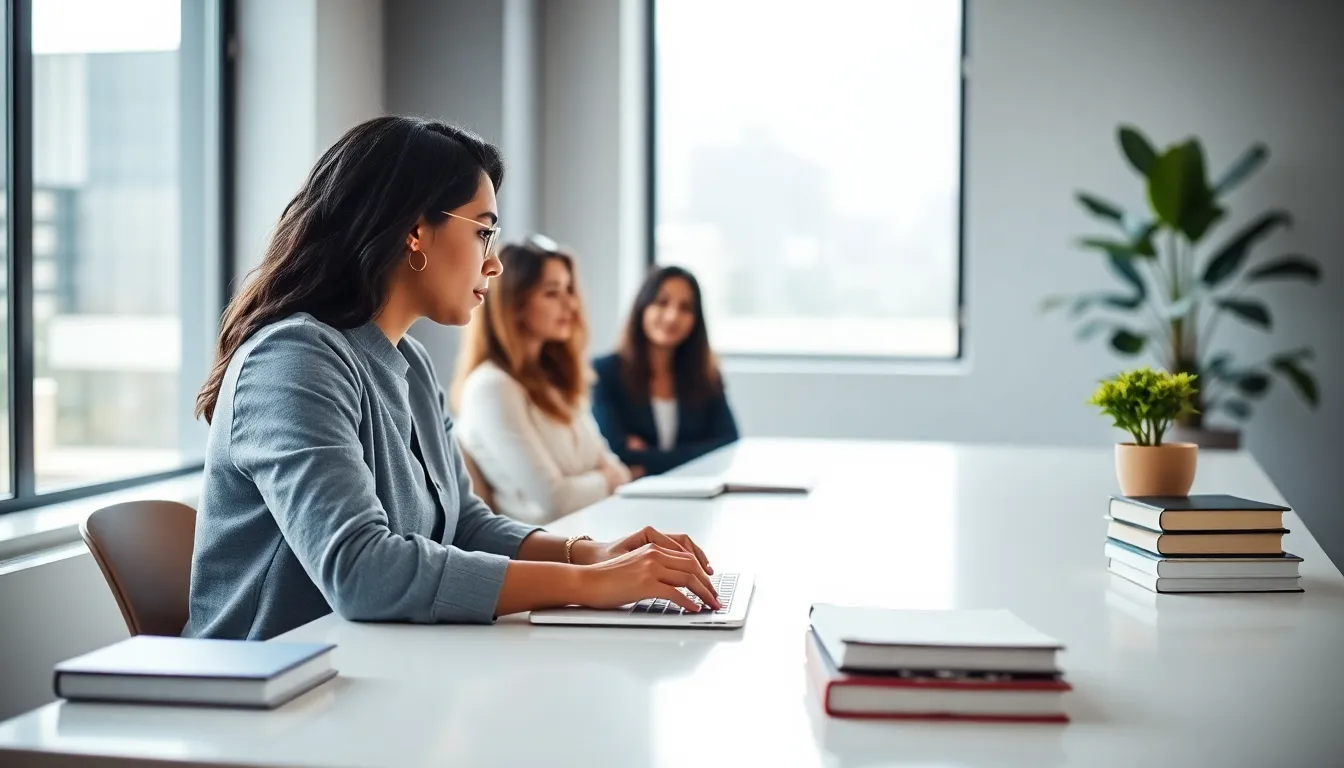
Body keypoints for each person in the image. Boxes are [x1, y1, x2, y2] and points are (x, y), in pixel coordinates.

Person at [183, 116, 718, 641]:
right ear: (416, 231)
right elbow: (361, 571)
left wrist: (591, 552)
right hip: (263, 691)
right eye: (484, 232)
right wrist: (587, 584)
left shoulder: (411, 365)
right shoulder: (293, 358)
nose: (495, 264)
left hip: (366, 664)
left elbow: (464, 523)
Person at [451, 236, 634, 525]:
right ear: (515, 303)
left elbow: (618, 470)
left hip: (591, 530)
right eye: (552, 293)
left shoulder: (555, 379)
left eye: (568, 290)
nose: (570, 304)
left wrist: (603, 479)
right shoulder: (492, 388)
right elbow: (555, 501)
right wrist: (605, 480)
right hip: (546, 551)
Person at [591, 266, 739, 476]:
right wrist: (694, 451)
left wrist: (648, 459)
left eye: (685, 308)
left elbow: (729, 443)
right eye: (662, 302)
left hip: (696, 490)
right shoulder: (605, 372)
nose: (672, 316)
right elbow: (617, 452)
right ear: (643, 307)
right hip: (629, 499)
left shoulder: (706, 376)